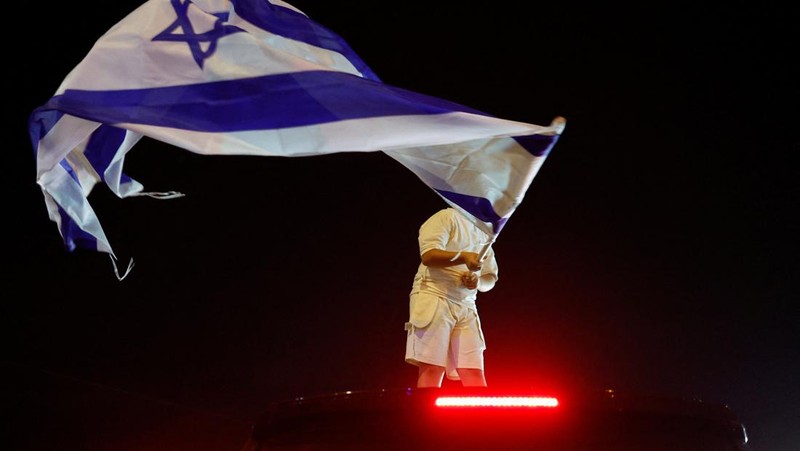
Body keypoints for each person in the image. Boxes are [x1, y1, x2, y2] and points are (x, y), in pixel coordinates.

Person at [404, 207, 499, 388]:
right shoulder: (447, 217)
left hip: (467, 305)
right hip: (434, 294)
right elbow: (429, 255)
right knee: (432, 368)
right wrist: (463, 257)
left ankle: (482, 417)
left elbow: (490, 278)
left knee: (474, 371)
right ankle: (424, 415)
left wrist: (477, 282)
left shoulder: (485, 233)